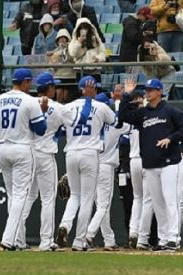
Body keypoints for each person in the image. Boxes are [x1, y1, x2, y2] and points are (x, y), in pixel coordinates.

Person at [16, 72, 91, 251]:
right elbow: (80, 120)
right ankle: (46, 241)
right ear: (49, 88)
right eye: (54, 87)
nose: (56, 89)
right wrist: (88, 98)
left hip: (27, 154)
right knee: (48, 199)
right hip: (45, 156)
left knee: (28, 197)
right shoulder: (58, 107)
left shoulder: (27, 104)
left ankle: (16, 238)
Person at [119, 78, 183, 252]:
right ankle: (163, 238)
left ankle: (174, 237)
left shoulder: (170, 111)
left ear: (159, 92)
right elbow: (122, 116)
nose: (148, 92)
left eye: (151, 90)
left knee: (170, 201)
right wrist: (127, 95)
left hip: (169, 162)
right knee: (158, 204)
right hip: (150, 163)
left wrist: (170, 138)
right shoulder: (142, 113)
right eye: (147, 90)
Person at [0, 68, 48, 250]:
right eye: (29, 82)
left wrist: (0, 140)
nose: (31, 85)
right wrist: (42, 112)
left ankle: (18, 240)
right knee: (20, 196)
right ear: (25, 82)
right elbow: (41, 129)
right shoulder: (29, 101)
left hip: (3, 149)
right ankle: (9, 239)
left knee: (12, 196)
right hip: (22, 149)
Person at [56, 76, 116, 251]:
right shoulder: (101, 106)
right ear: (93, 90)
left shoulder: (67, 107)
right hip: (90, 153)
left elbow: (58, 129)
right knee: (87, 198)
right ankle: (79, 241)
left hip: (71, 152)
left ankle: (65, 225)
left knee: (75, 195)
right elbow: (114, 121)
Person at [85, 93, 131, 251]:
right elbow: (130, 127)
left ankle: (109, 240)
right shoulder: (115, 124)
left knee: (100, 205)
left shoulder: (90, 122)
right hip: (105, 166)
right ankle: (88, 235)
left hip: (90, 164)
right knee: (103, 205)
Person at [127, 91, 154, 249]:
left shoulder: (129, 120)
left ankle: (133, 233)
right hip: (145, 159)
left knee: (137, 199)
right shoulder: (148, 116)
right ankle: (142, 238)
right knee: (147, 200)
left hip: (133, 160)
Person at [120, 6, 157, 74]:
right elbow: (134, 37)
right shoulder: (131, 23)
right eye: (146, 17)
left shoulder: (137, 23)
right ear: (140, 15)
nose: (146, 19)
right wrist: (144, 37)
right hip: (131, 57)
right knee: (134, 79)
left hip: (135, 56)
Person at [68, 17, 106, 83]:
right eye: (82, 28)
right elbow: (73, 54)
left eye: (86, 28)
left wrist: (98, 58)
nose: (84, 30)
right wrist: (79, 42)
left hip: (95, 70)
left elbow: (103, 53)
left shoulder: (96, 40)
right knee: (82, 91)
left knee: (96, 90)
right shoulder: (74, 41)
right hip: (81, 70)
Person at [48, 28, 76, 103]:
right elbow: (52, 65)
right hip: (58, 75)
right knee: (59, 95)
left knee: (66, 97)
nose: (62, 40)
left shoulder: (72, 50)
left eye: (64, 38)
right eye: (60, 39)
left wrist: (64, 52)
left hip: (70, 75)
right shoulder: (54, 51)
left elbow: (74, 59)